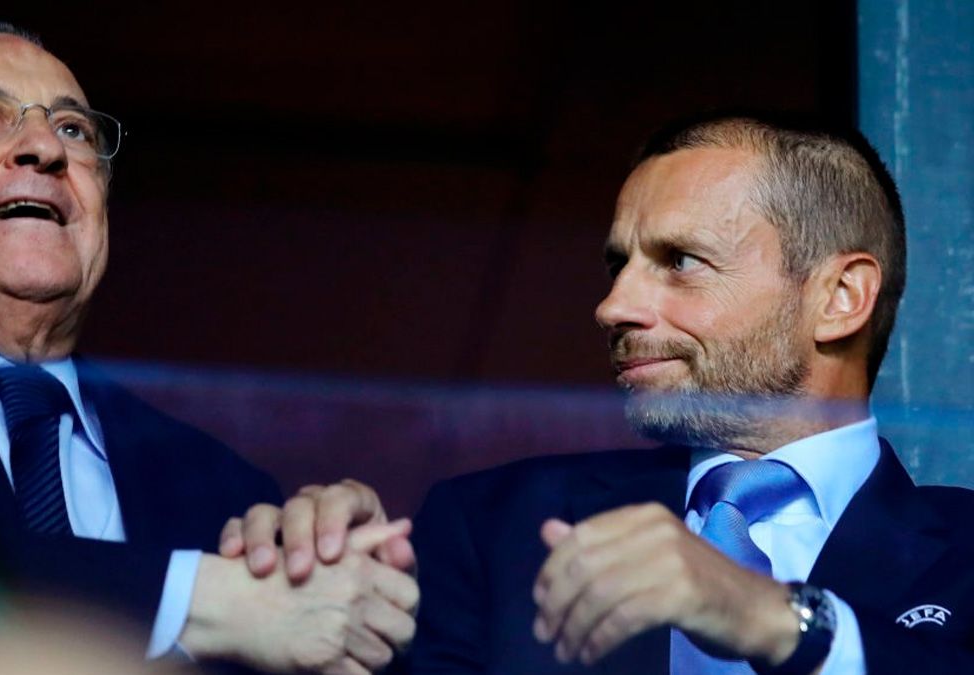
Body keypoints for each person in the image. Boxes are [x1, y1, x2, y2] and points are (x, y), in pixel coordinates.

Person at [228, 114, 974, 674]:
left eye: (680, 260)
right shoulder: (493, 524)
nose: (614, 306)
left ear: (841, 296)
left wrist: (774, 616)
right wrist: (313, 608)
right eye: (618, 265)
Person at [0, 20, 416, 674]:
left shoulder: (226, 490)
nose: (45, 147)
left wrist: (339, 572)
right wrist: (189, 600)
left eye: (75, 130)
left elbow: (319, 624)